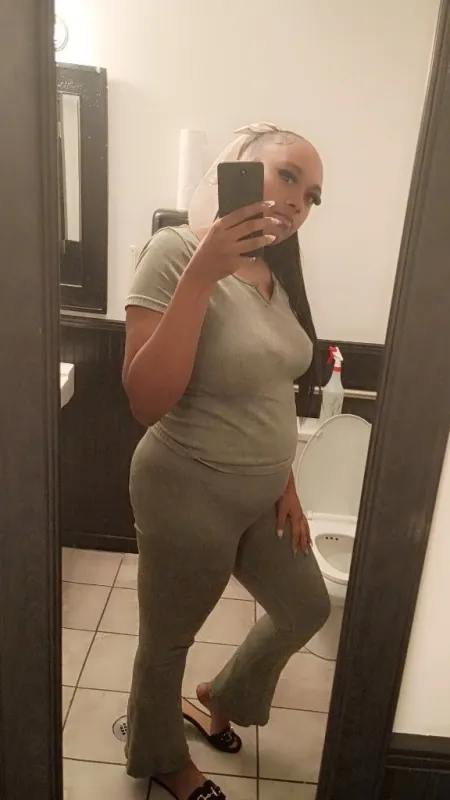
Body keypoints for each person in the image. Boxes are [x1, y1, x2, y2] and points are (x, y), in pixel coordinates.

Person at [122, 122, 330, 800]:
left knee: (305, 606)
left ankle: (223, 694)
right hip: (187, 487)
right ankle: (160, 757)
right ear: (236, 165)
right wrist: (202, 275)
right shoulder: (173, 251)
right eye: (287, 175)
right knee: (168, 639)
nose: (298, 201)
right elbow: (146, 399)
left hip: (263, 492)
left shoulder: (278, 274)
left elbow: (268, 389)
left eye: (312, 195)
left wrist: (286, 480)